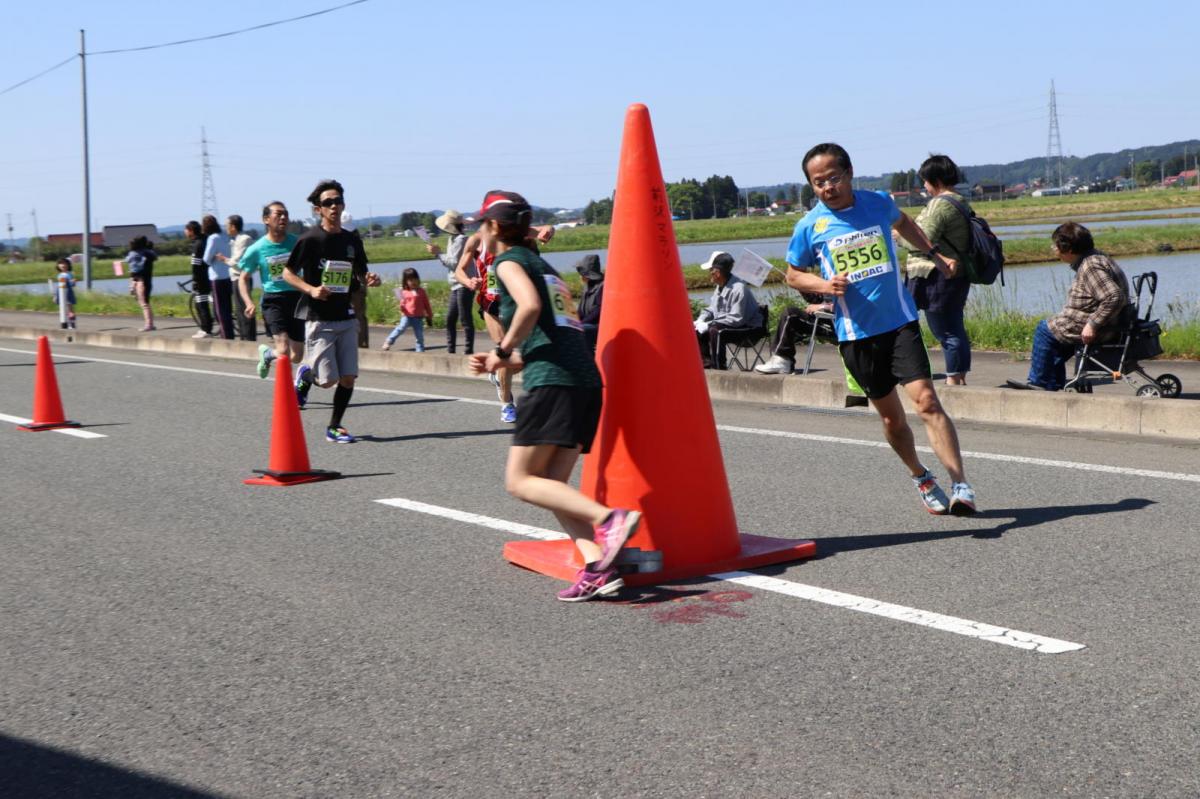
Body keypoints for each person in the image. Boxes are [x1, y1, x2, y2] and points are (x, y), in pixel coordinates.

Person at [466, 190, 641, 602]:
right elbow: (555, 336)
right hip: (583, 382)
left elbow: (527, 307)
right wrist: (503, 361)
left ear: (494, 227)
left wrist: (502, 349)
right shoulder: (544, 267)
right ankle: (597, 567)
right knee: (552, 485)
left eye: (481, 226)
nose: (478, 234)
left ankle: (609, 519)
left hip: (554, 385)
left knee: (520, 481)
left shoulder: (508, 262)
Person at [785, 142, 976, 516]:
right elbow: (793, 274)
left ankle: (960, 485)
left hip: (900, 322)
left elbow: (903, 223)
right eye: (818, 182)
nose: (827, 187)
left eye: (833, 178)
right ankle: (921, 476)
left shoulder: (877, 203)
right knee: (892, 419)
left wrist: (934, 255)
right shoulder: (810, 226)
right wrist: (823, 285)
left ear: (849, 173)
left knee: (927, 401)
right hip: (856, 335)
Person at [283, 179, 382, 443]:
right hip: (319, 318)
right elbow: (287, 273)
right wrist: (311, 289)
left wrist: (370, 278)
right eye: (328, 203)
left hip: (346, 316)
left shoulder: (351, 240)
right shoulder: (310, 239)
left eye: (338, 201)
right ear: (318, 210)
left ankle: (334, 427)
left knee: (348, 378)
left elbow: (361, 272)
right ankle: (306, 372)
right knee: (327, 381)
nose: (334, 206)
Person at [456, 212, 558, 424]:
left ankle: (498, 376)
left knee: (522, 356)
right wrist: (468, 281)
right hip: (491, 302)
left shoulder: (514, 233)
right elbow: (460, 270)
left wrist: (548, 230)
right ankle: (507, 404)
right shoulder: (475, 240)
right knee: (504, 350)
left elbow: (544, 230)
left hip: (516, 301)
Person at [1005, 222, 1130, 392]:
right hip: (1108, 323)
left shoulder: (1090, 266)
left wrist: (1092, 324)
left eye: (1055, 245)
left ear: (1068, 249)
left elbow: (1114, 296)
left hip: (1102, 327)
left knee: (1045, 330)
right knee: (1055, 339)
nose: (1053, 248)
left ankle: (1040, 382)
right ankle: (1053, 384)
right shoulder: (1097, 257)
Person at [897, 155, 972, 386]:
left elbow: (924, 239)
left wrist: (899, 237)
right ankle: (958, 377)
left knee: (945, 330)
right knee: (953, 327)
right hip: (953, 272)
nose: (924, 186)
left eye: (926, 181)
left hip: (936, 275)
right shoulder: (959, 200)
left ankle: (953, 381)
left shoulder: (940, 204)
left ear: (936, 180)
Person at [237, 201, 302, 378]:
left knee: (297, 355)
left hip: (297, 299)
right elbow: (243, 278)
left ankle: (268, 354)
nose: (283, 217)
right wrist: (248, 302)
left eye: (286, 214)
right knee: (283, 349)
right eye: (278, 214)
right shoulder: (257, 249)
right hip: (274, 300)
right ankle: (288, 389)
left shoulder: (297, 243)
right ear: (266, 219)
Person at [692, 251, 763, 369]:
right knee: (698, 330)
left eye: (710, 270)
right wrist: (700, 320)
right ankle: (706, 364)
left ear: (717, 273)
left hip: (749, 329)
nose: (709, 273)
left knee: (716, 330)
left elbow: (736, 319)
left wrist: (709, 324)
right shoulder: (720, 286)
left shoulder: (739, 288)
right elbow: (712, 308)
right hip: (731, 325)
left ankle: (719, 367)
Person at [427, 209, 474, 354]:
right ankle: (451, 351)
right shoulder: (452, 239)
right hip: (456, 284)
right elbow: (450, 261)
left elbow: (453, 263)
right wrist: (439, 254)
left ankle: (468, 351)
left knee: (465, 319)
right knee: (450, 319)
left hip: (464, 283)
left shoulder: (461, 240)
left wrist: (438, 253)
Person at [753, 294, 835, 374]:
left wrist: (821, 307)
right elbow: (817, 300)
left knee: (790, 314)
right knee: (790, 314)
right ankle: (782, 360)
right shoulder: (828, 287)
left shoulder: (840, 286)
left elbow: (840, 307)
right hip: (821, 318)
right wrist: (804, 290)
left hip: (833, 325)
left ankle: (783, 360)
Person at [220, 214, 257, 341]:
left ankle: (249, 338)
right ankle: (244, 337)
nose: (226, 228)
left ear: (233, 226)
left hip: (243, 278)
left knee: (245, 308)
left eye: (227, 225)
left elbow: (237, 262)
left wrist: (224, 259)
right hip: (235, 278)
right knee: (239, 310)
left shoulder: (244, 239)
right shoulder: (235, 240)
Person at [382, 268, 433, 351]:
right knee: (401, 328)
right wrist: (402, 307)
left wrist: (429, 314)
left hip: (418, 317)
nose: (414, 282)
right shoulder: (404, 292)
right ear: (406, 281)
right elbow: (402, 304)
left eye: (415, 279)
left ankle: (420, 350)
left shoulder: (421, 291)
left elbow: (426, 304)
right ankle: (389, 341)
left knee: (419, 335)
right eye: (411, 280)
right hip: (407, 316)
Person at [201, 214, 234, 339]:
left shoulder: (212, 238)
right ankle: (229, 333)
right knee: (228, 308)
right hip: (228, 274)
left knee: (219, 309)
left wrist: (213, 258)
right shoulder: (225, 235)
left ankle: (225, 336)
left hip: (217, 276)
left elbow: (206, 259)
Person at [342, 211, 371, 348]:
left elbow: (362, 266)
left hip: (355, 284)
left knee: (358, 315)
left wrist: (364, 282)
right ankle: (360, 345)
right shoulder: (355, 239)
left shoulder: (355, 241)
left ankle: (361, 346)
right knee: (357, 315)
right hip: (345, 284)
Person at [184, 220, 214, 338]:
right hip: (210, 275)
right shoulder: (205, 239)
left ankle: (206, 329)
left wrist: (195, 280)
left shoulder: (197, 244)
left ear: (191, 231)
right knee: (203, 303)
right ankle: (207, 327)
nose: (185, 232)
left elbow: (196, 265)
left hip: (201, 279)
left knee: (201, 304)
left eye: (186, 230)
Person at [125, 235, 157, 331]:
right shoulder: (148, 253)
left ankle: (149, 325)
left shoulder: (137, 254)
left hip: (141, 280)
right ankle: (150, 324)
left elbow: (130, 264)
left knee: (144, 303)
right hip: (141, 280)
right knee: (144, 302)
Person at [574, 254, 605, 352]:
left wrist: (581, 323)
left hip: (598, 325)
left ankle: (589, 357)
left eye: (582, 273)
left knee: (583, 330)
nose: (580, 276)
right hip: (587, 323)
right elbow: (580, 311)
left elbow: (598, 311)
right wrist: (574, 321)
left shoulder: (602, 287)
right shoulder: (586, 286)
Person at [52, 258, 77, 329]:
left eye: (64, 263)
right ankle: (65, 323)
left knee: (70, 309)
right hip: (60, 292)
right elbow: (58, 286)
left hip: (68, 292)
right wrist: (55, 296)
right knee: (63, 309)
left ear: (68, 265)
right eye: (60, 263)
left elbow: (72, 284)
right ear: (58, 266)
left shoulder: (69, 274)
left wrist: (73, 282)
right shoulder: (59, 275)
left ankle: (72, 323)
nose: (63, 265)